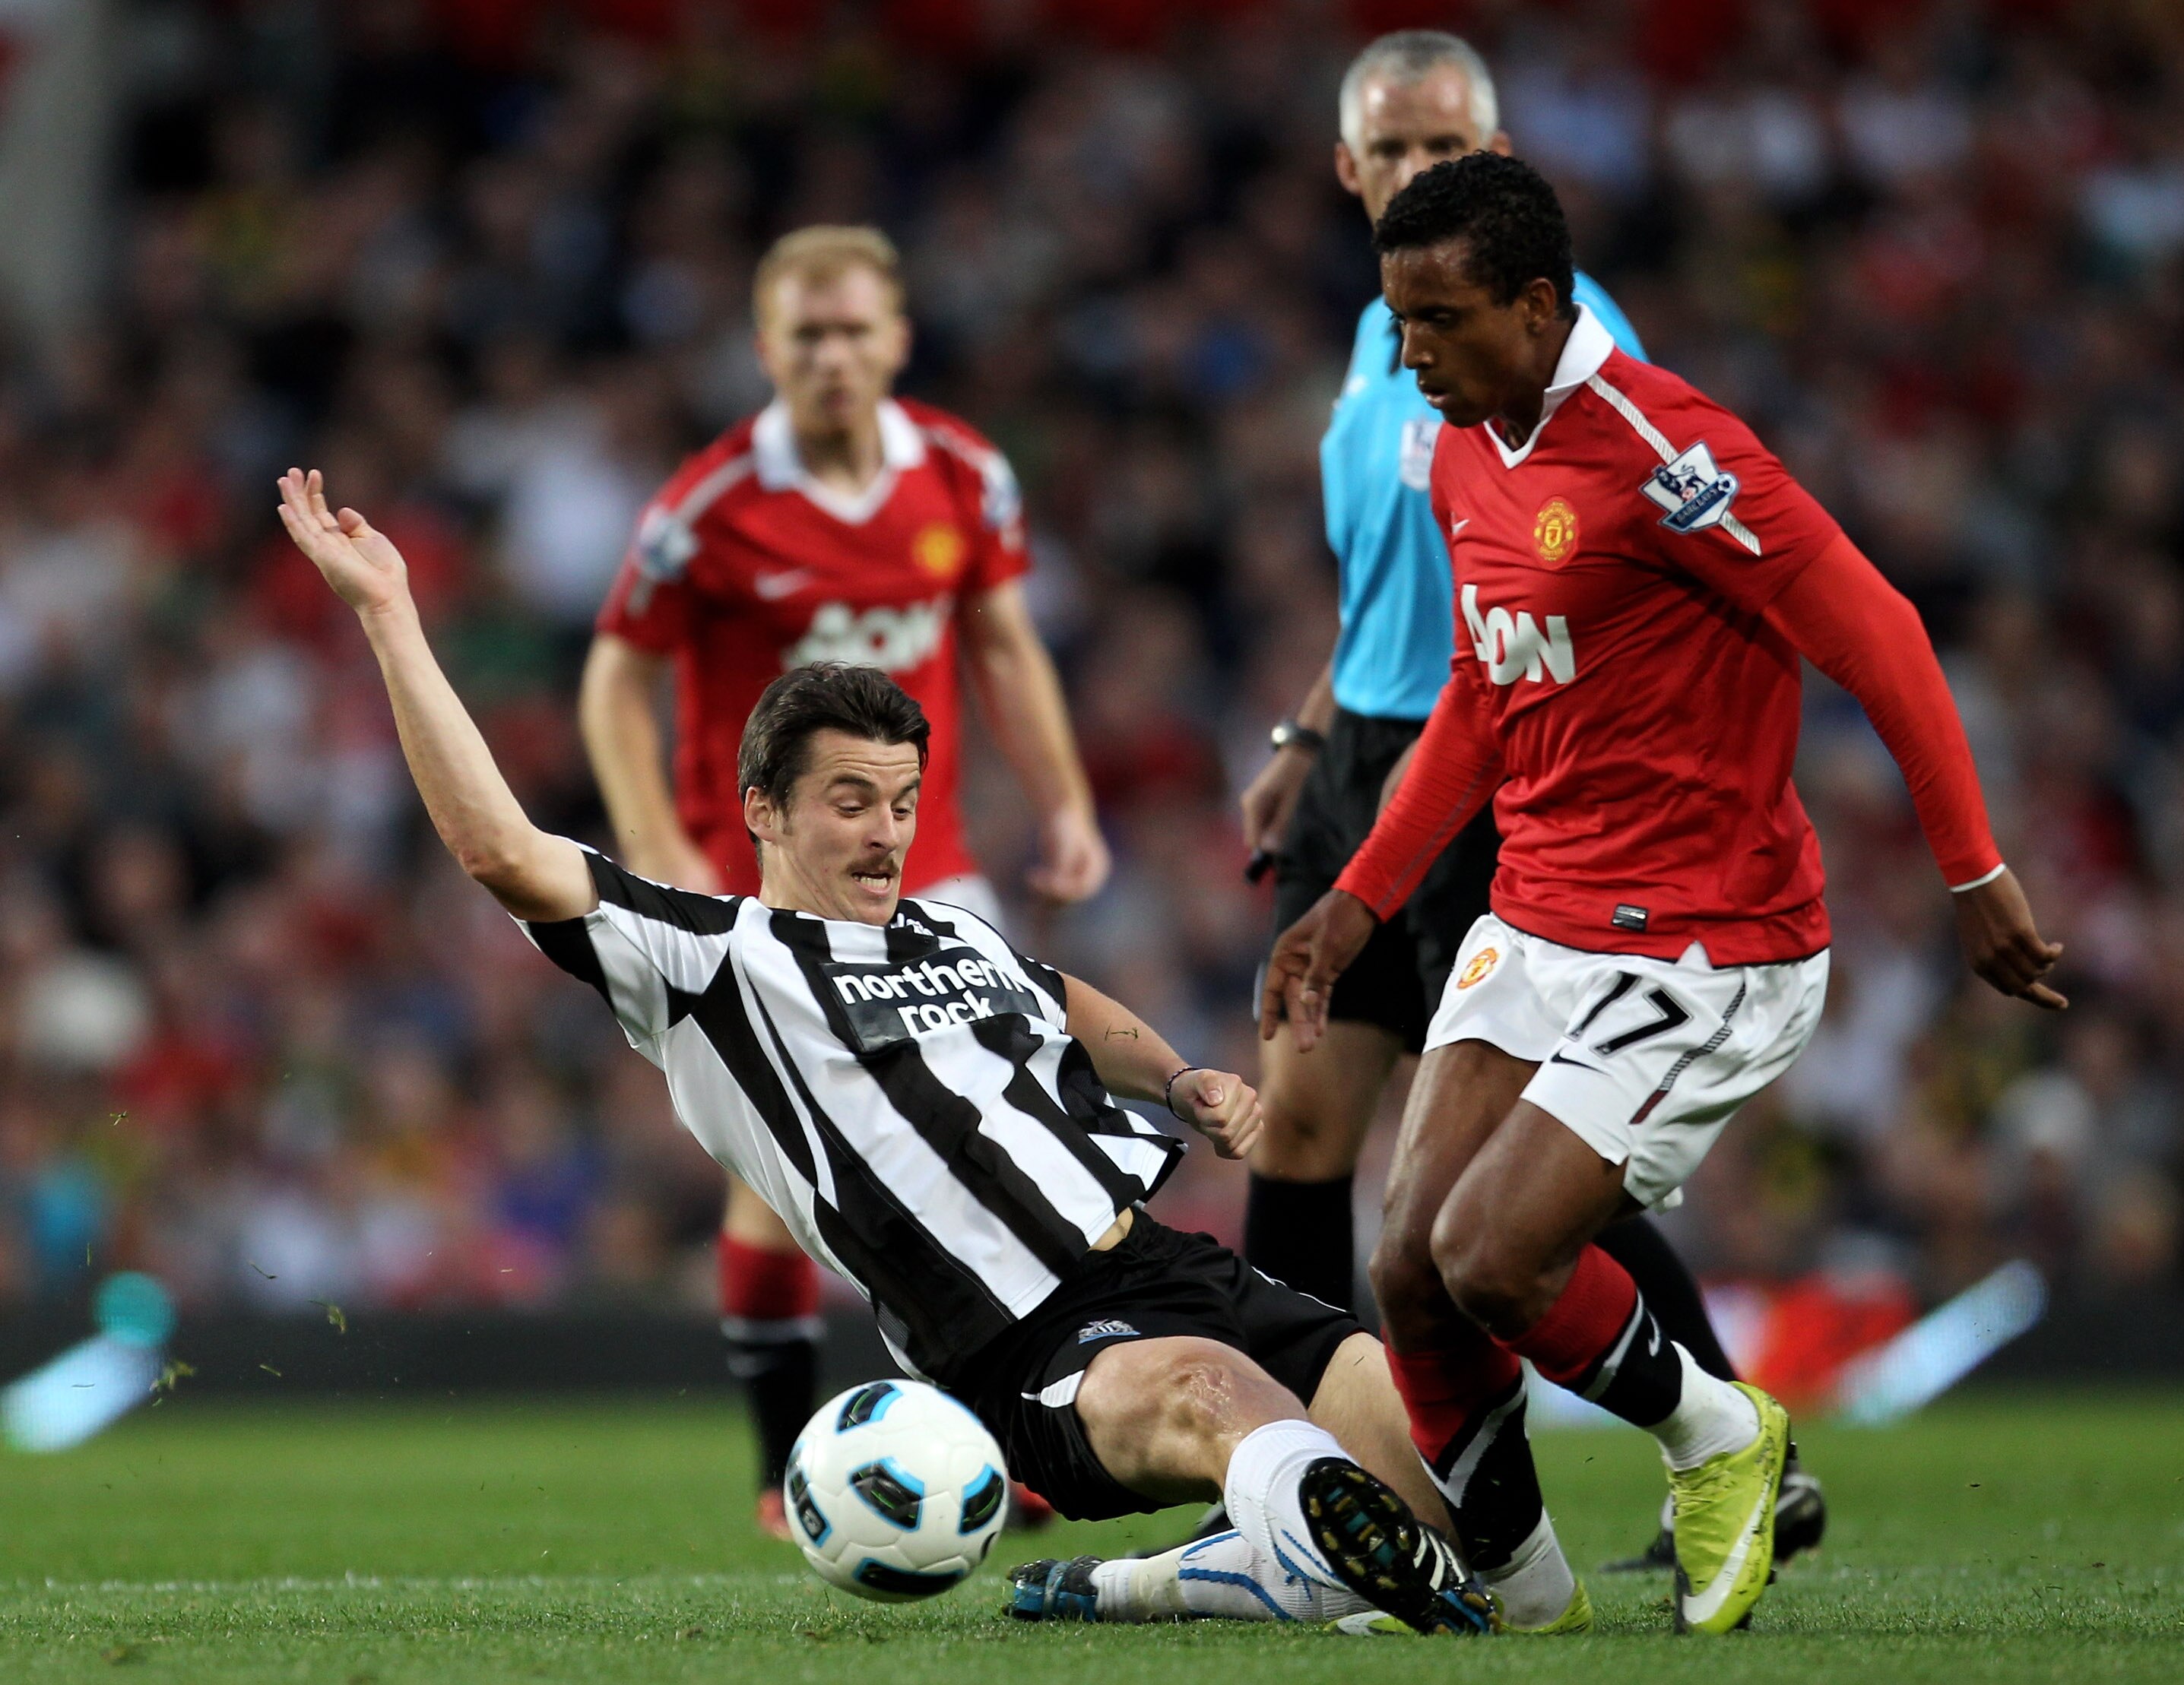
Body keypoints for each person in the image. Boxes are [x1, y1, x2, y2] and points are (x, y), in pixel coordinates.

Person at [271, 466, 1580, 1637]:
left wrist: (1177, 1077)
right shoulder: (709, 960)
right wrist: (390, 612)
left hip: (1175, 1264)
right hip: (1026, 1349)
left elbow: (1058, 998)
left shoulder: (953, 927)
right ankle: (1296, 1540)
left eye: (901, 800)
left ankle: (1192, 1576)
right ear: (763, 809)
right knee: (1227, 1404)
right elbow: (501, 849)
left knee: (1494, 1561)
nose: (887, 832)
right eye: (850, 801)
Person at [1263, 152, 2065, 1636]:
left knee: (1497, 1255)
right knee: (1409, 1265)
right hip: (1538, 912)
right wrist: (1360, 896)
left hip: (1706, 937)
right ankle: (1515, 1583)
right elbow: (1478, 695)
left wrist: (1974, 868)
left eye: (1440, 320)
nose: (1412, 353)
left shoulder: (1662, 447)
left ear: (1538, 303)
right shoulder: (1458, 447)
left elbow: (1879, 631)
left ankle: (1721, 1436)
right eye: (1395, 321)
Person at [1238, 28, 1819, 1571]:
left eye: (1452, 146)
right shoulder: (1390, 333)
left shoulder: (1543, 333)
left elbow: (1536, 613)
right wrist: (1303, 733)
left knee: (1498, 1182)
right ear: (1347, 168)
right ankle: (1324, 1458)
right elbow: (1395, 582)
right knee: (1303, 1122)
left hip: (1493, 766)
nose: (1424, 171)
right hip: (1363, 742)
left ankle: (1729, 1423)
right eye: (1399, 149)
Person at [578, 225, 1109, 1535]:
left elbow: (1001, 640)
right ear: (767, 348)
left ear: (897, 338)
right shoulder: (711, 505)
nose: (832, 356)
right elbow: (613, 674)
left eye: (855, 330)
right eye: (806, 334)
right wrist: (652, 838)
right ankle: (782, 1469)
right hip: (766, 885)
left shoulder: (964, 476)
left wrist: (1067, 799)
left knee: (999, 1148)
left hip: (930, 874)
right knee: (791, 1170)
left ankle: (1004, 1435)